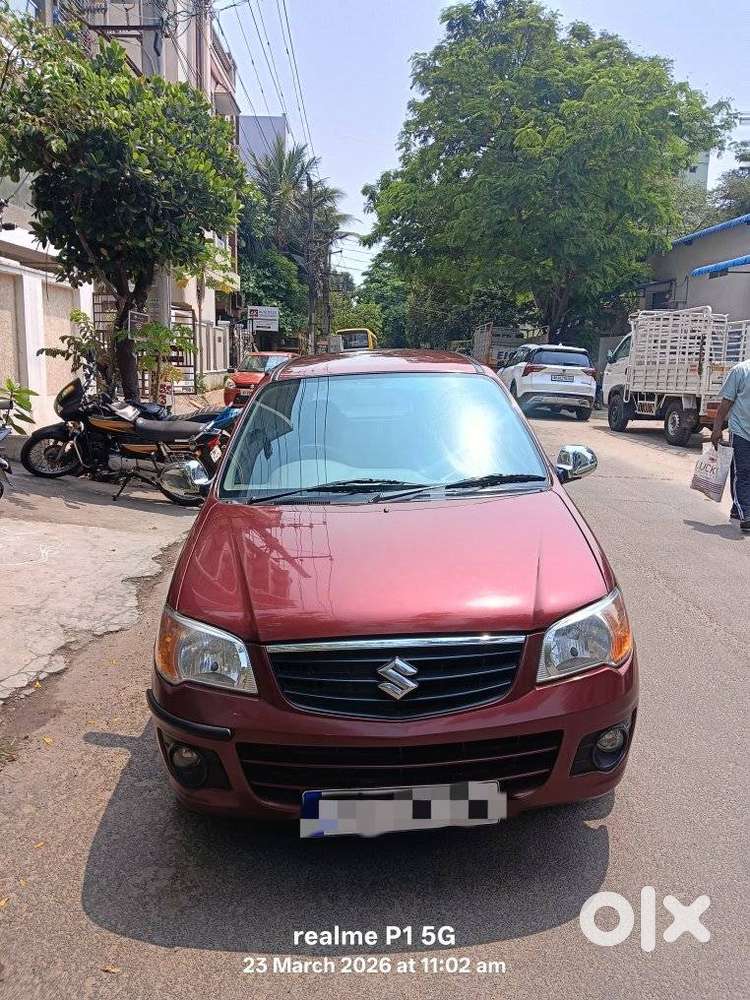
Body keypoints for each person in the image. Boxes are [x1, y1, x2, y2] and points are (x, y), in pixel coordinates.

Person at [711, 357, 750, 532]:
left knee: (740, 472)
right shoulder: (740, 371)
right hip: (741, 431)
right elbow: (726, 403)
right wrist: (717, 429)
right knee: (743, 472)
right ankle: (747, 515)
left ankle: (737, 509)